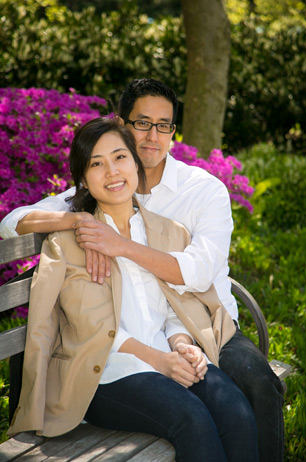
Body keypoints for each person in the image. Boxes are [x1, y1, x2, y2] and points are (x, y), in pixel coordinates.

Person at [0, 79, 284, 462]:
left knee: (238, 403)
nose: (152, 135)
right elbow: (94, 328)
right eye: (142, 123)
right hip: (107, 365)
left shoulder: (175, 213)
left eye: (163, 124)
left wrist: (181, 344)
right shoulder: (78, 222)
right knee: (194, 418)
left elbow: (180, 293)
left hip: (204, 326)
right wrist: (75, 223)